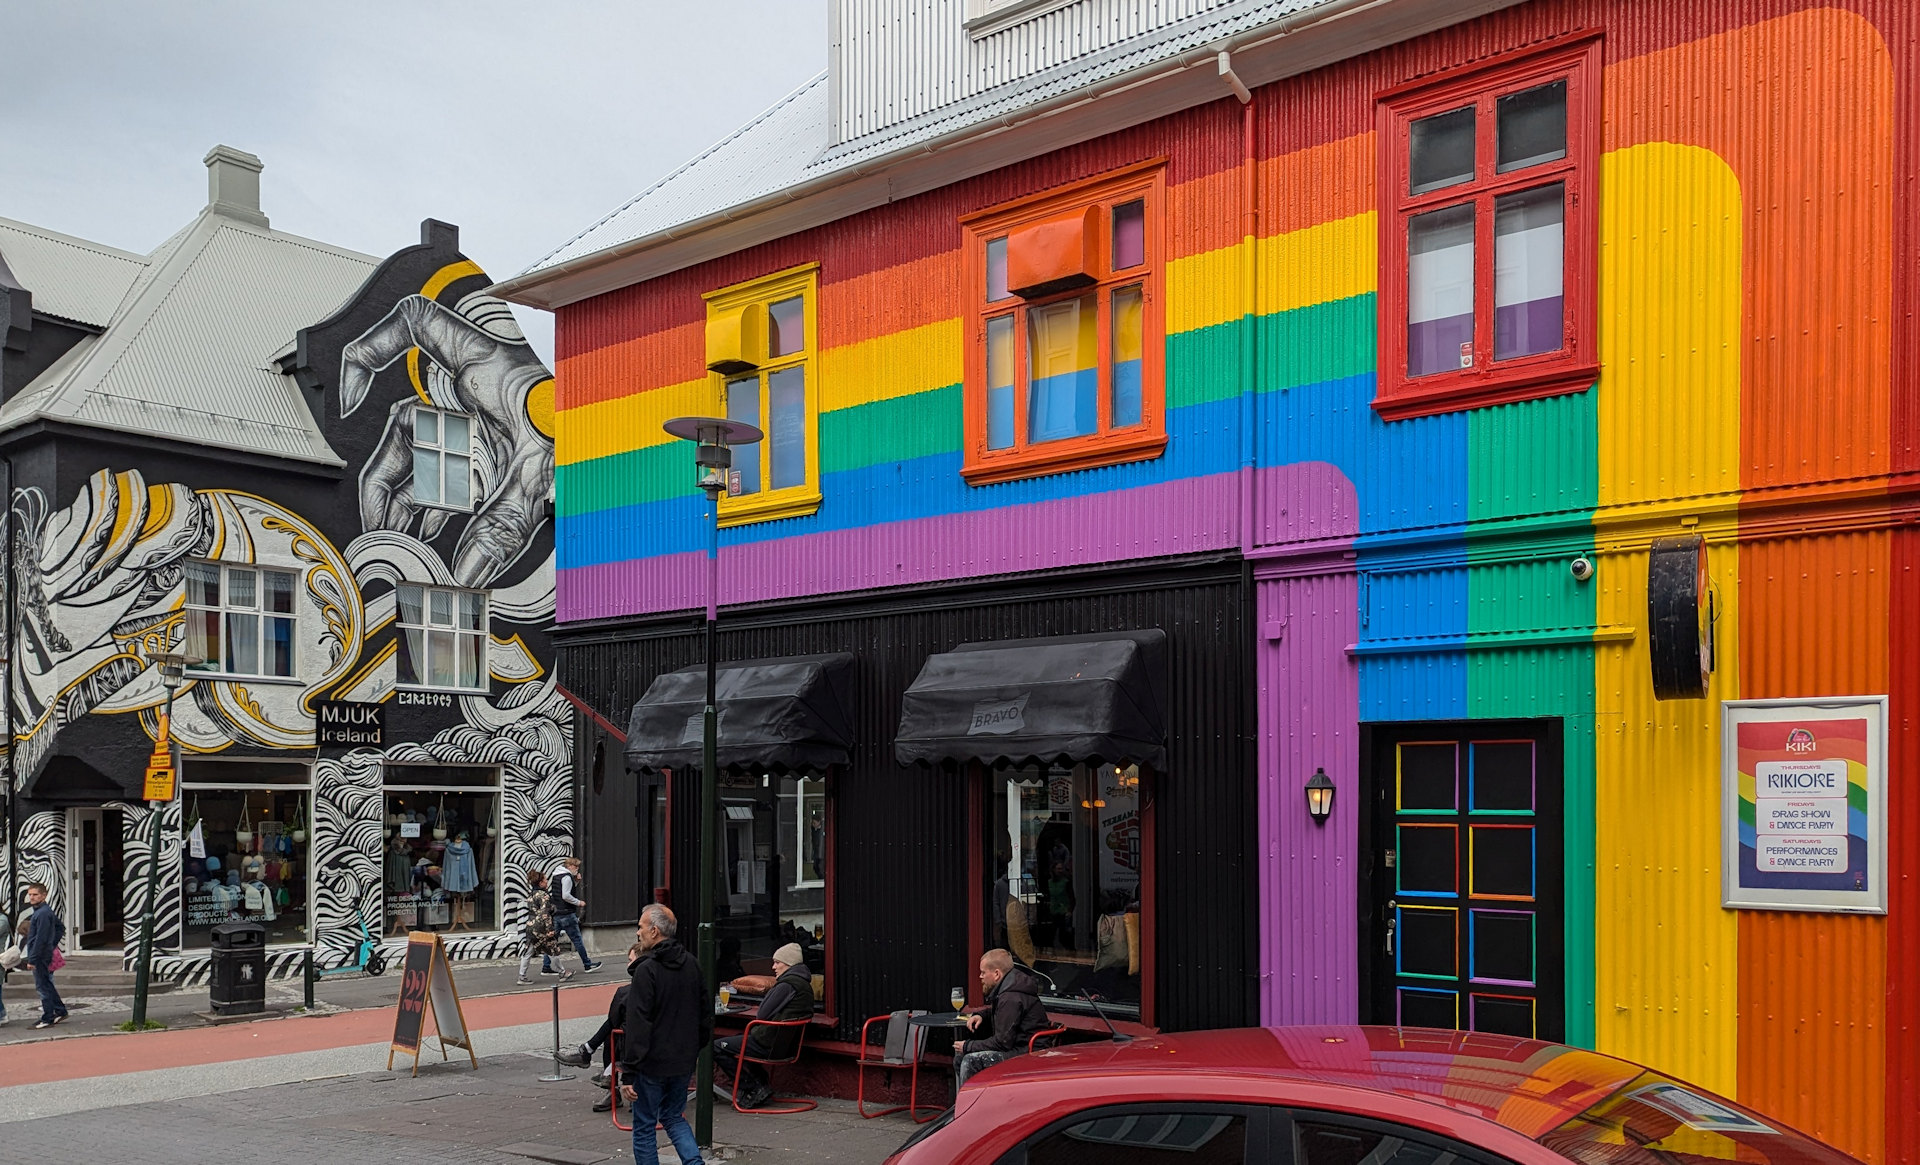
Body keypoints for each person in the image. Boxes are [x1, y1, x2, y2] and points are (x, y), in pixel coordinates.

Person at [618, 904, 708, 1165]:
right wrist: (693, 1049)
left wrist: (629, 1071)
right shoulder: (691, 964)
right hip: (682, 1061)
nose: (638, 933)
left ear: (654, 931)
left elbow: (638, 1024)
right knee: (672, 1116)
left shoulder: (647, 970)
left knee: (645, 1125)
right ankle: (694, 1163)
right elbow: (704, 1014)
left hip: (652, 1063)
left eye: (641, 927)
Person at [712, 941, 813, 1109]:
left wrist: (774, 988)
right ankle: (761, 1084)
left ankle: (752, 1087)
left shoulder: (787, 985)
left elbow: (762, 1013)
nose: (773, 967)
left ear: (789, 964)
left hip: (769, 1044)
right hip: (781, 1044)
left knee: (716, 1047)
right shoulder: (802, 982)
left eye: (777, 962)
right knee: (739, 1039)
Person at [557, 941, 647, 1112]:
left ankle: (596, 1061)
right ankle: (592, 1056)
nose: (628, 964)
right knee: (614, 1029)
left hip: (633, 1047)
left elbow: (613, 1018)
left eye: (630, 960)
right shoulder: (659, 988)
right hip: (659, 1044)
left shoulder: (626, 992)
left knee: (612, 1031)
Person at [954, 948, 1049, 1086]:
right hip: (1023, 1047)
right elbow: (1002, 1012)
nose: (980, 977)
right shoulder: (1011, 988)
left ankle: (973, 1105)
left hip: (1029, 1052)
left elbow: (1002, 1042)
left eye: (983, 972)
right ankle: (971, 1102)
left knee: (970, 1061)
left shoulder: (1010, 997)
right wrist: (981, 1015)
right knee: (961, 1058)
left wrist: (968, 1045)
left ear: (997, 974)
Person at [22, 883, 68, 1030]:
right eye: (30, 894)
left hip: (41, 956)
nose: (32, 897)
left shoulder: (42, 913)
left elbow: (40, 939)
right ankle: (60, 1010)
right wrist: (51, 944)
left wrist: (32, 959)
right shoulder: (43, 912)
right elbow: (60, 928)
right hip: (44, 953)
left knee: (43, 986)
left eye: (35, 894)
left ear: (43, 895)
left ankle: (48, 1017)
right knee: (47, 984)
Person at [517, 869, 574, 984]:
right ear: (541, 883)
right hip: (541, 927)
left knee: (528, 951)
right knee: (552, 949)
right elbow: (545, 914)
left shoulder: (531, 895)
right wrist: (550, 929)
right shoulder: (544, 896)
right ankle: (562, 973)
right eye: (545, 880)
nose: (547, 881)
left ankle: (522, 976)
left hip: (530, 926)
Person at [548, 857, 602, 972]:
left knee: (551, 941)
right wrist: (579, 902)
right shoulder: (566, 877)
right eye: (576, 866)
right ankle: (587, 964)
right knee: (577, 940)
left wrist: (576, 882)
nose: (577, 869)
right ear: (570, 866)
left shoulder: (556, 875)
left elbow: (563, 891)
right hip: (567, 913)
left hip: (557, 912)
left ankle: (546, 967)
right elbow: (566, 895)